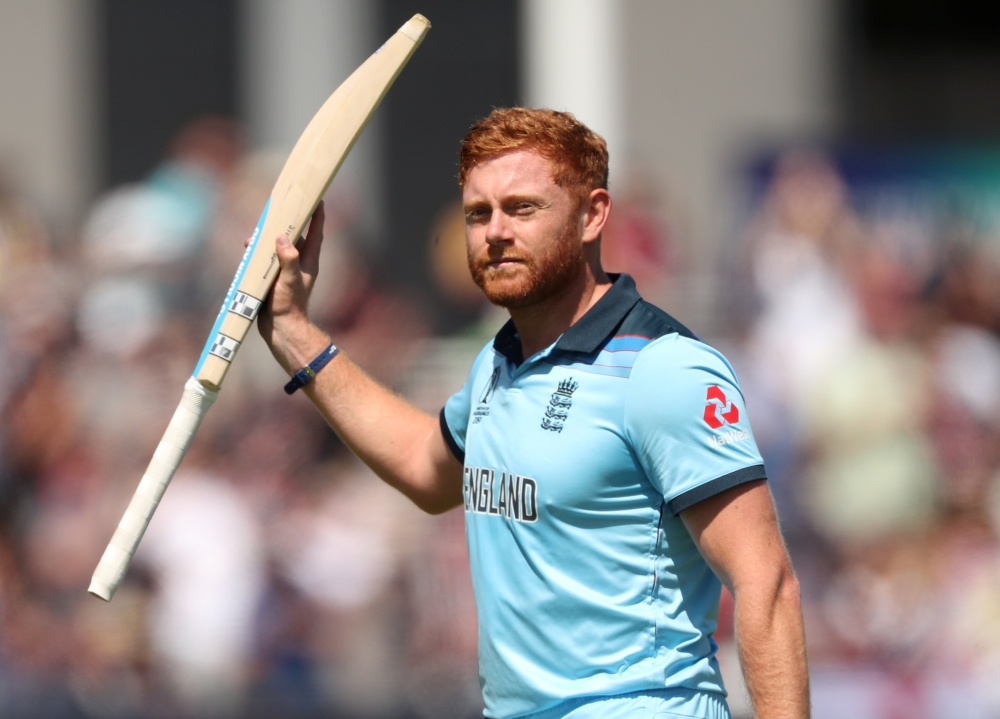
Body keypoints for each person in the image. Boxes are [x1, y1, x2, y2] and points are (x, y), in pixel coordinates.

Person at [256, 108, 809, 719]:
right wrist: (294, 334)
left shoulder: (662, 370)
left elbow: (768, 585)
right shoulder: (500, 363)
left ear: (592, 215)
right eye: (478, 213)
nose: (495, 231)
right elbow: (425, 467)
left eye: (522, 208)